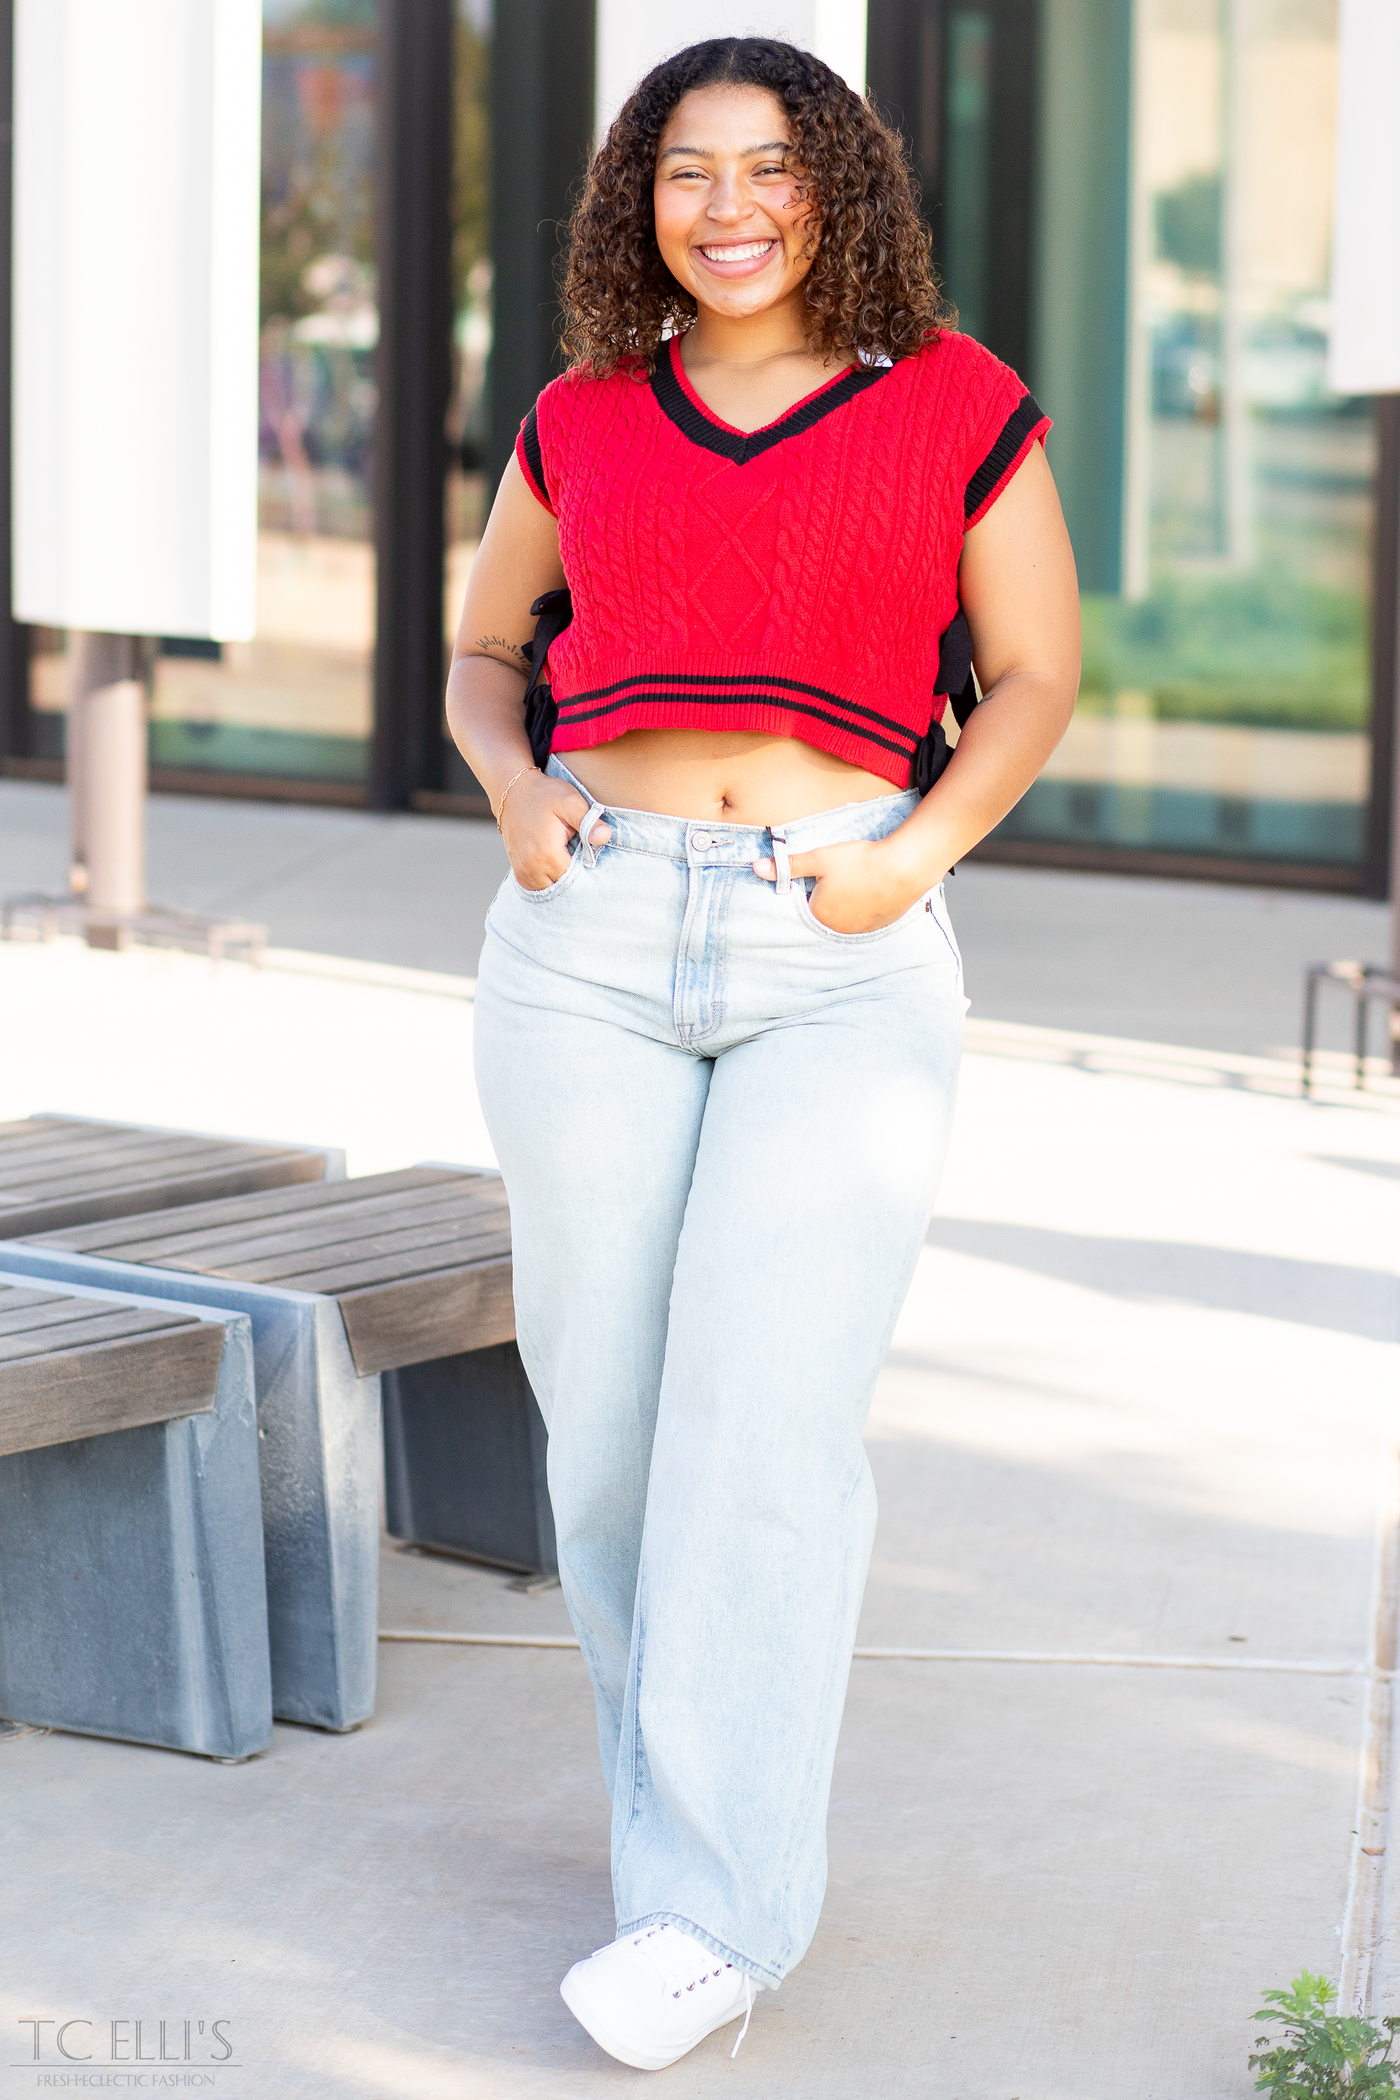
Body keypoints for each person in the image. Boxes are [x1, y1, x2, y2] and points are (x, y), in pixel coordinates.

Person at [446, 35, 1079, 2074]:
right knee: (613, 1443)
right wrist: (511, 793)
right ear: (640, 200)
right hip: (588, 939)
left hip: (836, 945)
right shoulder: (580, 418)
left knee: (763, 1435)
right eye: (685, 174)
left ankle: (715, 1917)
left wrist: (916, 855)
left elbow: (1039, 671)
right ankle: (678, 1861)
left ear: (841, 191)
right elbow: (479, 650)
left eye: (770, 169)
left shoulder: (953, 403)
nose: (727, 210)